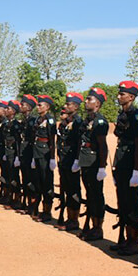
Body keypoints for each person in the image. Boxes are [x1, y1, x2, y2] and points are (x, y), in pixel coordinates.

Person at [111, 81, 138, 255]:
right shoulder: (122, 114)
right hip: (121, 161)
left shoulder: (137, 115)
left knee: (132, 203)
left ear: (131, 97)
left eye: (122, 94)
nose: (119, 96)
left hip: (132, 162)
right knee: (122, 201)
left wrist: (136, 171)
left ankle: (135, 241)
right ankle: (125, 239)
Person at [74, 88, 109, 240]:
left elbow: (103, 146)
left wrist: (102, 166)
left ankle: (97, 227)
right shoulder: (86, 120)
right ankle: (89, 224)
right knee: (89, 193)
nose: (86, 102)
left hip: (94, 162)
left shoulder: (99, 121)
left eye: (90, 99)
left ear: (98, 104)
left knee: (96, 195)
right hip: (85, 160)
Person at [55, 92, 83, 231]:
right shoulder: (66, 123)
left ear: (76, 106)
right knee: (65, 188)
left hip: (72, 160)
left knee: (73, 190)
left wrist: (77, 160)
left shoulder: (78, 122)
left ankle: (74, 219)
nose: (65, 106)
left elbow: (79, 142)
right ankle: (68, 217)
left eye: (68, 104)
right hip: (64, 159)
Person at [30, 95, 57, 222]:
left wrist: (52, 158)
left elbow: (52, 140)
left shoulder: (50, 119)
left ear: (47, 107)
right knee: (38, 181)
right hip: (37, 152)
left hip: (46, 152)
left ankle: (47, 211)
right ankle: (38, 208)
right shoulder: (37, 119)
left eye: (40, 105)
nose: (38, 107)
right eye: (37, 104)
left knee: (47, 182)